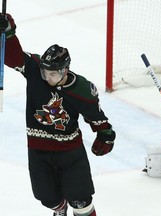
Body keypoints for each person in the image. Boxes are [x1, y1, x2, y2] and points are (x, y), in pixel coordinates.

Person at [0, 13, 116, 216]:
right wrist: (8, 34)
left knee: (81, 200)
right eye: (45, 72)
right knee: (48, 199)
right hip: (38, 150)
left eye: (52, 74)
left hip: (69, 152)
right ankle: (59, 210)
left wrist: (105, 134)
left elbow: (95, 116)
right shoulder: (36, 70)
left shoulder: (81, 89)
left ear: (65, 70)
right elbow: (13, 58)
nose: (46, 77)